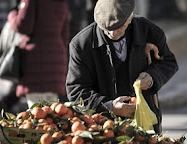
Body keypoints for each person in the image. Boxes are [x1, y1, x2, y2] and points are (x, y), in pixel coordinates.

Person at [66, 0, 178, 133]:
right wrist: (109, 107)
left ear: (131, 16)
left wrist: (152, 76)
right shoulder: (81, 44)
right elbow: (76, 90)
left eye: (119, 26)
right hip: (103, 128)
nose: (113, 33)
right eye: (107, 29)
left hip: (144, 124)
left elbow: (168, 62)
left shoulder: (149, 31)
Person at [8, 0, 69, 107]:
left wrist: (12, 15)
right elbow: (65, 33)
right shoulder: (61, 2)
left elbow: (23, 25)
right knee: (52, 111)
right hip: (57, 57)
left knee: (36, 111)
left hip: (35, 58)